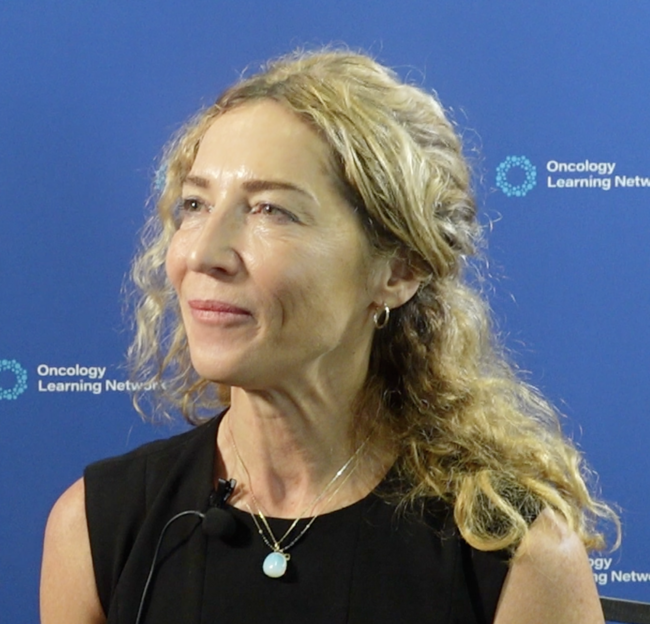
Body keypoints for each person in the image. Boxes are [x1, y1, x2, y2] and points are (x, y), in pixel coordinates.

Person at [40, 49, 617, 623]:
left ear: (398, 269)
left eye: (271, 210)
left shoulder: (511, 552)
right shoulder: (97, 527)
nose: (203, 253)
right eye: (195, 204)